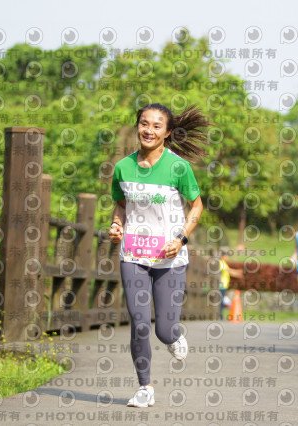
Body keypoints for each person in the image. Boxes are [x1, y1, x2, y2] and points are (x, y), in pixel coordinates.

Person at [108, 103, 211, 407]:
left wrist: (181, 239)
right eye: (143, 124)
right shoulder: (123, 167)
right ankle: (145, 387)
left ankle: (174, 337)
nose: (148, 130)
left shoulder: (178, 167)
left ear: (167, 132)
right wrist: (116, 225)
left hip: (170, 259)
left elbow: (197, 206)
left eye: (156, 126)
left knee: (165, 330)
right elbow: (121, 205)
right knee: (140, 323)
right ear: (137, 126)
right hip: (133, 256)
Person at [218, 249, 244, 320]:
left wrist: (238, 273)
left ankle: (220, 315)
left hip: (224, 285)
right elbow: (229, 271)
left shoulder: (224, 263)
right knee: (221, 301)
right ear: (223, 256)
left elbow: (230, 271)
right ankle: (219, 315)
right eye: (226, 256)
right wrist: (238, 272)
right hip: (221, 285)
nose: (228, 258)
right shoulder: (221, 263)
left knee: (222, 300)